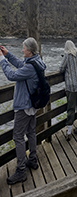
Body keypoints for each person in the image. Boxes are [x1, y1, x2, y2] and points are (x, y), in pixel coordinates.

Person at [0, 38, 46, 185]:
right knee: (31, 132)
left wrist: (2, 60)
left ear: (30, 50)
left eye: (24, 48)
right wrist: (7, 54)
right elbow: (21, 64)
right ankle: (32, 159)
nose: (22, 50)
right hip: (32, 105)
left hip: (24, 106)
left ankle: (21, 171)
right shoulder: (36, 61)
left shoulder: (30, 66)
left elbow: (11, 75)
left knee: (18, 137)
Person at [59, 41, 77, 141]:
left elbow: (61, 69)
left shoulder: (67, 56)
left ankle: (69, 132)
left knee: (71, 108)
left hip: (72, 86)